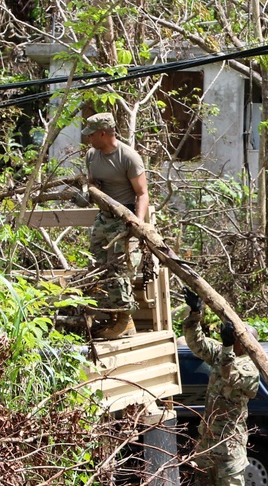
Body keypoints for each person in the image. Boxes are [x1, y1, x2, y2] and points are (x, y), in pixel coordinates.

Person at [182, 288, 260, 486]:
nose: (234, 341)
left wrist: (227, 348)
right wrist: (195, 313)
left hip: (230, 440)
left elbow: (230, 376)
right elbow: (195, 342)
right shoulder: (221, 353)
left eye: (239, 338)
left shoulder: (250, 368)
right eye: (234, 337)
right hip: (208, 438)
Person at [81, 112, 150, 339]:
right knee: (97, 265)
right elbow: (93, 185)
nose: (88, 139)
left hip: (125, 216)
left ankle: (125, 319)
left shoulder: (128, 157)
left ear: (103, 133)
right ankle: (108, 316)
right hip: (104, 217)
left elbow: (142, 194)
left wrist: (136, 225)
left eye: (91, 135)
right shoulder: (92, 155)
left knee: (120, 269)